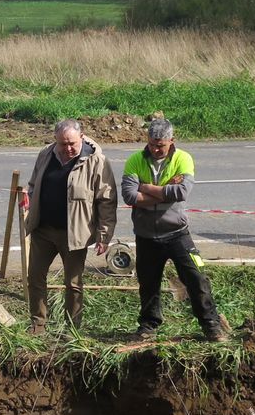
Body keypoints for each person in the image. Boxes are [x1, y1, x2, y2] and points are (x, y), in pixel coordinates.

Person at [120, 119, 227, 342]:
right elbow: (130, 196)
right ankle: (148, 326)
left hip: (177, 233)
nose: (156, 149)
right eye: (152, 144)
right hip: (146, 236)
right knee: (148, 284)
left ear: (172, 141)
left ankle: (211, 325)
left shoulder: (183, 158)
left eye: (161, 145)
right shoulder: (135, 161)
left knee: (196, 277)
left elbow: (181, 192)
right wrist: (164, 191)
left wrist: (146, 188)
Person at [19, 119, 118, 334]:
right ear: (55, 140)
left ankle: (72, 329)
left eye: (72, 143)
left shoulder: (96, 161)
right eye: (62, 144)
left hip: (74, 235)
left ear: (81, 137)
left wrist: (104, 234)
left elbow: (107, 200)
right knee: (35, 276)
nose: (68, 149)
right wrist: (29, 195)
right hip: (43, 230)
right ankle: (38, 324)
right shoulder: (46, 154)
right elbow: (34, 183)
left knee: (73, 283)